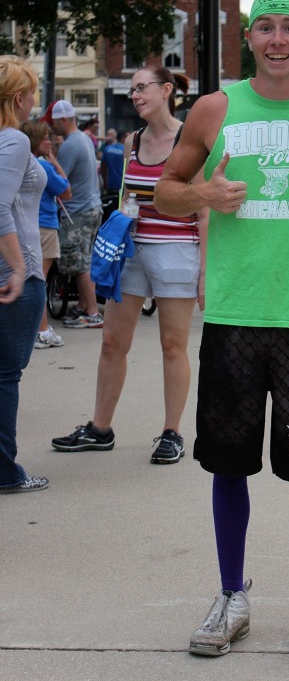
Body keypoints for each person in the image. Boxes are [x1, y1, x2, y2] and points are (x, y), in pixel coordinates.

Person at [153, 0, 289, 663]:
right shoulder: (214, 109)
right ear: (248, 37)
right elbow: (163, 191)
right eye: (265, 27)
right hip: (234, 318)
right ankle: (231, 597)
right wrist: (203, 193)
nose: (277, 39)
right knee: (228, 465)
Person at [51, 67, 205, 465]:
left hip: (177, 250)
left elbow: (204, 211)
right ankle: (100, 428)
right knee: (112, 342)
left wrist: (206, 271)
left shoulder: (190, 139)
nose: (134, 95)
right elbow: (126, 196)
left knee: (173, 345)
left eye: (142, 88)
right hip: (131, 249)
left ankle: (172, 433)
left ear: (166, 90)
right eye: (132, 90)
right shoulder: (132, 140)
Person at [0, 55, 49, 493]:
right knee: (5, 376)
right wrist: (19, 267)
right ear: (18, 99)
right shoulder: (13, 139)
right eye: (32, 92)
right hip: (17, 275)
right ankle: (5, 471)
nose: (35, 100)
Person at [51, 100, 103, 328]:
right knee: (86, 260)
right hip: (91, 207)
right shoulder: (84, 138)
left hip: (77, 212)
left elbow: (58, 181)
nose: (52, 127)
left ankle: (92, 312)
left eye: (53, 122)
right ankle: (83, 305)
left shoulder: (70, 145)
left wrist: (51, 158)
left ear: (63, 120)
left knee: (80, 264)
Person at [21, 121, 71, 349]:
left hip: (26, 225)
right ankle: (41, 330)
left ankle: (33, 329)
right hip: (46, 226)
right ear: (34, 140)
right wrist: (54, 162)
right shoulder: (43, 166)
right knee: (39, 280)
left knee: (29, 278)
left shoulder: (21, 162)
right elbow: (67, 191)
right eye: (45, 138)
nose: (49, 142)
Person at [99, 129, 126, 194]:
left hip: (110, 185)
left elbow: (103, 168)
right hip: (122, 186)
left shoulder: (107, 148)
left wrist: (105, 182)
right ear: (123, 138)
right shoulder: (126, 151)